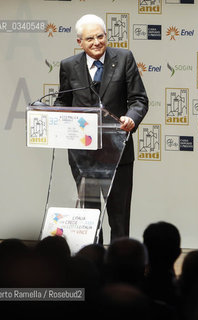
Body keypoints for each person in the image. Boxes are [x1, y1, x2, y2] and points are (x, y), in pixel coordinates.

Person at [54, 14, 148, 243]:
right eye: (90, 38)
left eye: (100, 36)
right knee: (89, 215)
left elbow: (139, 100)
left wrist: (131, 119)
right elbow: (62, 101)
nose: (96, 42)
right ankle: (92, 262)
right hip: (82, 154)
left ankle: (121, 265)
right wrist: (57, 116)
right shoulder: (69, 66)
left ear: (106, 36)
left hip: (117, 152)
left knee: (119, 216)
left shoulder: (124, 58)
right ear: (80, 42)